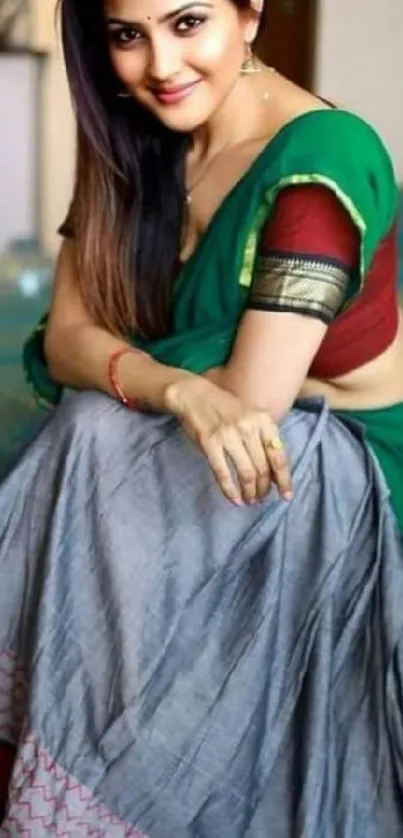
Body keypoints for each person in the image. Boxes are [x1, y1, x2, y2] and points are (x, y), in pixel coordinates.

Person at [1, 0, 403, 833]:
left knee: (97, 430)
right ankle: (90, 761)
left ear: (249, 13)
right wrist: (173, 387)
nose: (160, 65)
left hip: (336, 476)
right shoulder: (138, 141)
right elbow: (68, 336)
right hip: (201, 446)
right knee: (96, 428)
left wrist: (135, 378)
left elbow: (251, 404)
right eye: (126, 35)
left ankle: (115, 782)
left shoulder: (323, 158)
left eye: (187, 23)